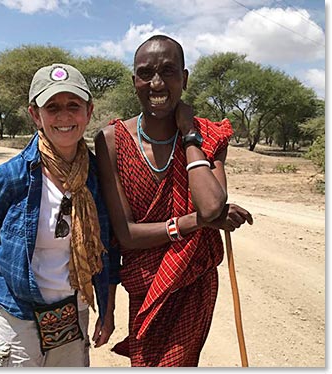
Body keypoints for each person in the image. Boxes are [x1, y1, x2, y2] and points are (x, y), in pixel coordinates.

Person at [95, 35, 253, 367]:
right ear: (133, 80)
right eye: (145, 72)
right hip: (146, 286)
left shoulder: (209, 136)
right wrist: (196, 222)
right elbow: (127, 235)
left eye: (168, 71)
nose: (157, 82)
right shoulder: (111, 142)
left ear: (184, 78)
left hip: (192, 285)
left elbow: (210, 205)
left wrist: (189, 134)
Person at [0, 63, 120, 367]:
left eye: (74, 105)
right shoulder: (12, 177)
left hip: (73, 316)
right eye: (52, 107)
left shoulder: (98, 178)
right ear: (35, 114)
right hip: (15, 322)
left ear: (89, 111)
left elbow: (109, 251)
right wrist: (5, 261)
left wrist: (107, 312)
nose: (64, 116)